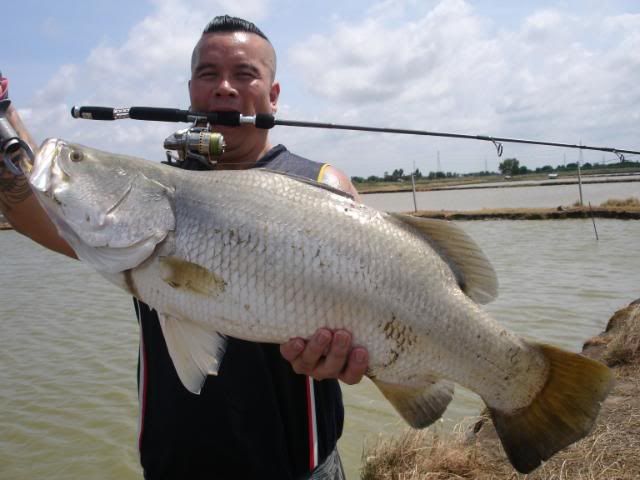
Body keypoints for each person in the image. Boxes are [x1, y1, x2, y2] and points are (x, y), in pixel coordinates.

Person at [0, 15, 369, 480]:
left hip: (302, 468)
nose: (224, 88)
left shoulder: (323, 185)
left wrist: (356, 356)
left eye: (245, 74)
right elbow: (37, 201)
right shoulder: (145, 196)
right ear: (191, 89)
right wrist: (4, 113)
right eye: (208, 74)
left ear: (273, 94)